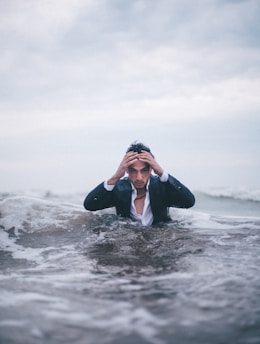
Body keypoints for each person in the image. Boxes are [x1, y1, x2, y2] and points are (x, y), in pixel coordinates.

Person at [83, 141, 195, 226]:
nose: (139, 177)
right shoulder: (119, 188)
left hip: (160, 242)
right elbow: (90, 205)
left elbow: (189, 202)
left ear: (151, 168)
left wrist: (161, 172)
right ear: (126, 169)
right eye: (133, 171)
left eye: (144, 170)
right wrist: (116, 176)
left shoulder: (162, 186)